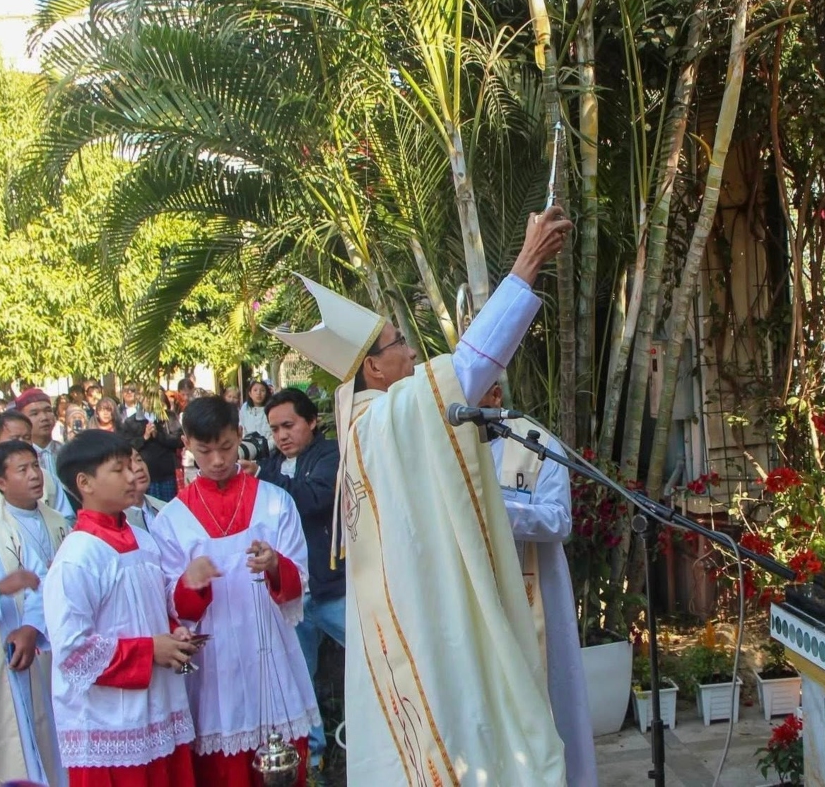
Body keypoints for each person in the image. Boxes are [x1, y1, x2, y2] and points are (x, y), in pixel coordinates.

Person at [268, 206, 572, 785]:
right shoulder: (380, 423)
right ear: (374, 370)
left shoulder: (369, 422)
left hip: (414, 606)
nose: (411, 351)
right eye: (398, 343)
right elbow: (468, 369)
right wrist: (527, 263)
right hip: (427, 614)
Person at [150, 397, 319, 786]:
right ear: (187, 444)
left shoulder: (275, 502)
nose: (216, 460)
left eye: (225, 447)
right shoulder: (172, 519)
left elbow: (299, 583)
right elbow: (172, 609)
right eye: (204, 450)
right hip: (214, 668)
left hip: (270, 651)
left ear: (240, 436)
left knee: (283, 763)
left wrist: (276, 565)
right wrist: (191, 582)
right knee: (224, 771)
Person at [46, 430, 198, 787]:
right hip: (108, 721)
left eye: (132, 465)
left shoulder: (144, 539)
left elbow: (157, 607)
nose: (133, 476)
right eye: (118, 469)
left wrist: (175, 631)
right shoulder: (77, 557)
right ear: (85, 483)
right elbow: (73, 652)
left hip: (158, 708)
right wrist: (150, 650)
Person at [479, 382, 597, 785]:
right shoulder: (439, 450)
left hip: (533, 600)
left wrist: (496, 510)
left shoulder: (534, 443)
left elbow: (559, 519)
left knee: (546, 703)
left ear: (495, 395)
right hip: (472, 604)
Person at [241, 387, 341, 773]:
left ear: (312, 422)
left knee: (375, 659)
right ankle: (311, 759)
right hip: (292, 596)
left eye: (289, 425)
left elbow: (317, 499)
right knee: (300, 680)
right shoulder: (268, 466)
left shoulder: (330, 454)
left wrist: (263, 484)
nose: (281, 436)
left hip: (333, 587)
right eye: (274, 429)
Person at [0, 453, 62, 786]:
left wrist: (32, 628)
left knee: (39, 750)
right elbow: (12, 583)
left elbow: (38, 579)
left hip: (22, 661)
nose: (34, 475)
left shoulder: (2, 530)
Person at [0, 440, 69, 572]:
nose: (34, 475)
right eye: (23, 470)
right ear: (1, 483)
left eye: (36, 465)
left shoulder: (57, 519)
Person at [0, 411, 72, 518]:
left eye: (27, 437)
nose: (22, 443)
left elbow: (67, 518)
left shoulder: (45, 477)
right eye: (15, 438)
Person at [14, 389, 75, 520]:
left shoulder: (69, 452)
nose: (44, 418)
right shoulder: (17, 461)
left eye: (48, 411)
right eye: (34, 413)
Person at [120, 414, 181, 504]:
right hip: (146, 476)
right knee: (149, 506)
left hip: (167, 474)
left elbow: (179, 441)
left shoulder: (168, 417)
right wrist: (144, 437)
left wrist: (158, 435)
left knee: (170, 506)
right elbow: (126, 446)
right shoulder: (131, 422)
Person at [125, 449, 167, 533]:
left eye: (139, 460)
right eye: (128, 465)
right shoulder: (116, 522)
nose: (139, 467)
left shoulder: (164, 508)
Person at [238, 381, 274, 454]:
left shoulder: (272, 408)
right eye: (255, 390)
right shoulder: (245, 408)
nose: (258, 393)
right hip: (249, 450)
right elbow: (242, 429)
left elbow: (274, 433)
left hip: (269, 451)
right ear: (250, 394)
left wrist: (265, 447)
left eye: (262, 390)